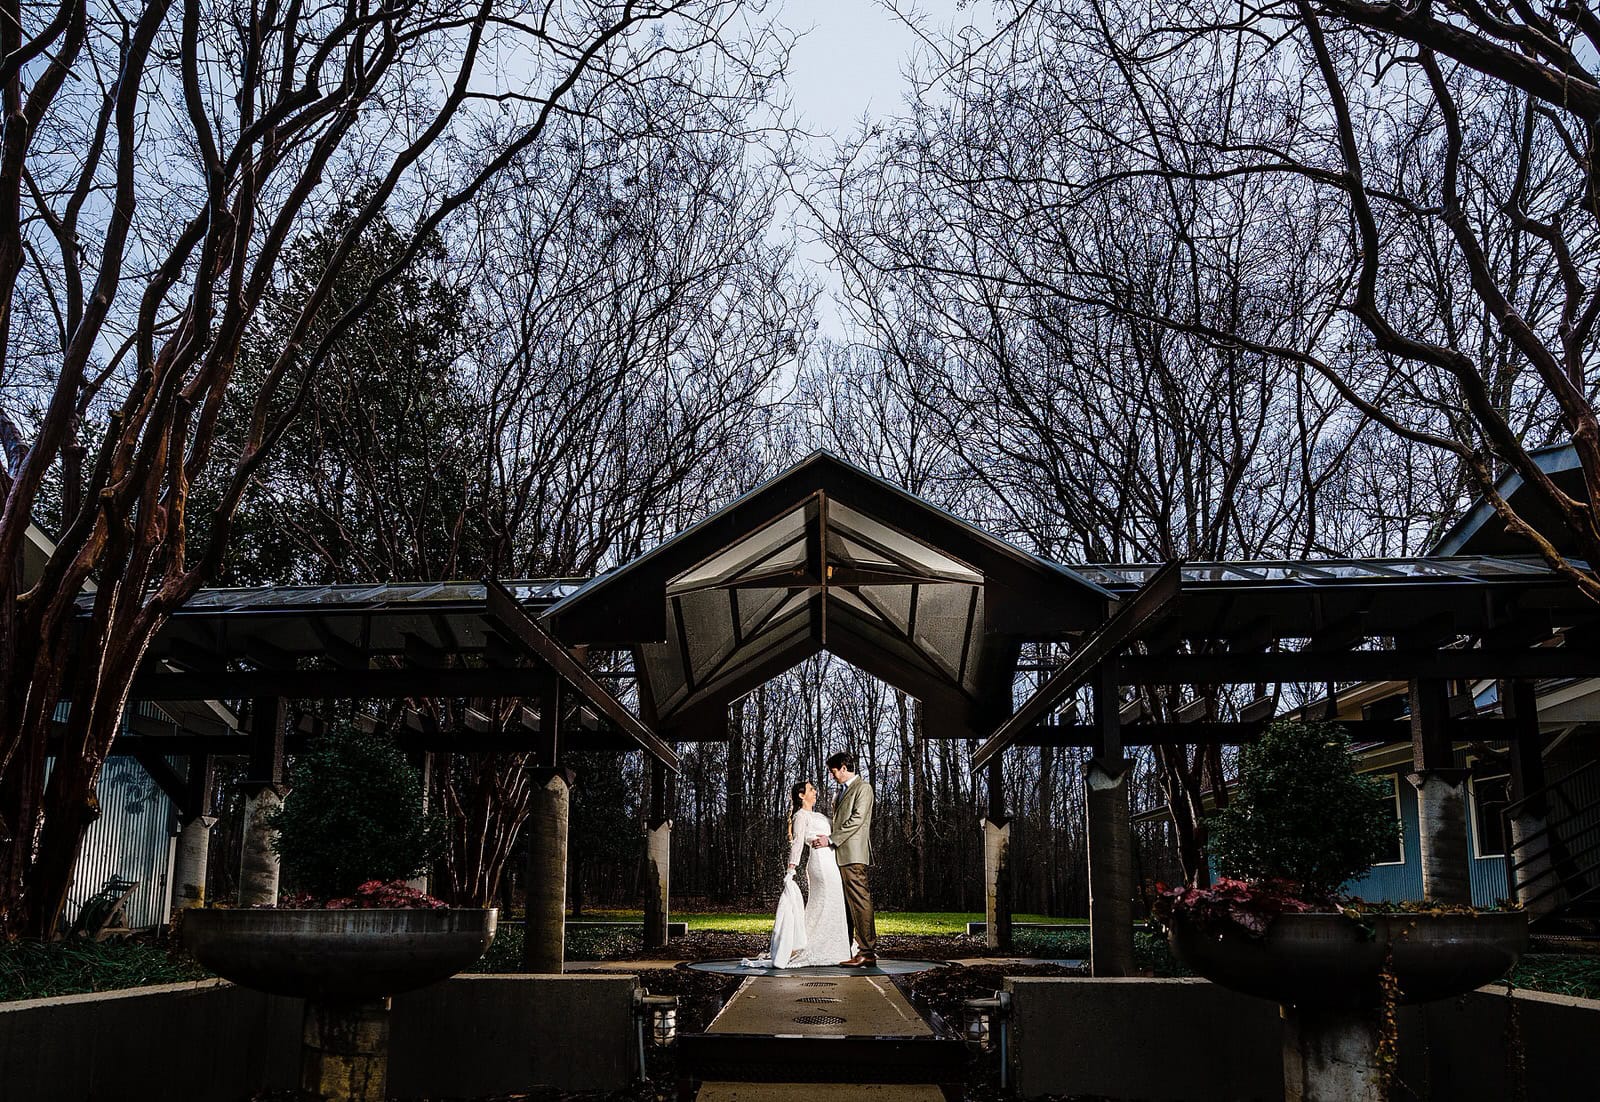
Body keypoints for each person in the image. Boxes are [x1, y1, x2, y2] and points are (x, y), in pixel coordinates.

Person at [743, 779, 851, 969]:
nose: (815, 791)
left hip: (831, 862)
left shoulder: (819, 815)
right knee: (823, 902)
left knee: (834, 904)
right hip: (820, 865)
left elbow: (835, 832)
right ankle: (812, 947)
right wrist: (791, 869)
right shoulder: (801, 816)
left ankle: (834, 947)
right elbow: (798, 843)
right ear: (802, 796)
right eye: (811, 790)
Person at [815, 750, 876, 966]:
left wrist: (831, 839)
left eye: (833, 772)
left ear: (843, 767)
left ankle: (867, 952)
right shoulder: (839, 793)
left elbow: (857, 819)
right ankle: (851, 948)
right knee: (847, 904)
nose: (832, 776)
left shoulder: (863, 788)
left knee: (860, 902)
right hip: (840, 856)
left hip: (853, 855)